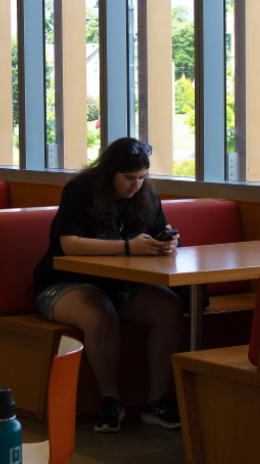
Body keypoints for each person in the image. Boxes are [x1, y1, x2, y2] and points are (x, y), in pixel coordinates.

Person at [32, 137, 185, 433]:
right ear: (110, 172)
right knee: (101, 316)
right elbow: (69, 244)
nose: (136, 185)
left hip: (119, 284)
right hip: (64, 281)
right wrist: (127, 247)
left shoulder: (145, 194)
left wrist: (167, 243)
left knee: (169, 308)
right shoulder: (79, 190)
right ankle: (110, 399)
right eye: (129, 178)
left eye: (142, 178)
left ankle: (155, 402)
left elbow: (159, 231)